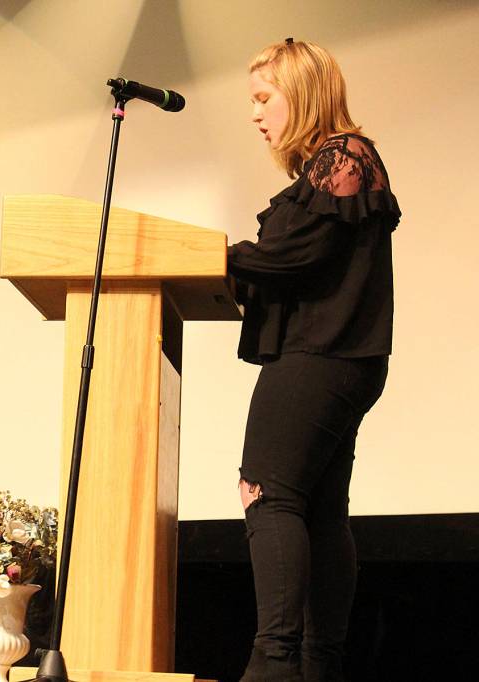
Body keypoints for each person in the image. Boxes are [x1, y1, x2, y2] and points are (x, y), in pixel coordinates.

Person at [227, 39, 400, 682]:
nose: (255, 114)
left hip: (322, 356)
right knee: (320, 511)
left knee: (267, 494)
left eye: (264, 98)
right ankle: (314, 666)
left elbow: (297, 256)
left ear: (301, 93)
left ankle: (274, 664)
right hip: (338, 359)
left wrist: (217, 255)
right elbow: (298, 262)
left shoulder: (344, 155)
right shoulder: (330, 166)